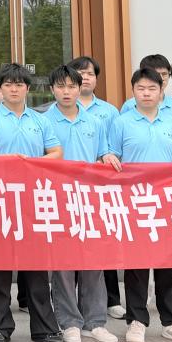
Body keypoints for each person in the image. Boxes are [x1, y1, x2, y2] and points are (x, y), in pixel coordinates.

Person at [0, 63, 65, 342]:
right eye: (8, 84)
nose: (14, 89)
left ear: (28, 88)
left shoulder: (40, 120)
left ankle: (45, 329)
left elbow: (56, 152)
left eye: (19, 84)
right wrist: (7, 161)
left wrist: (31, 162)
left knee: (36, 269)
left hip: (33, 201)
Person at [108, 67, 172, 342]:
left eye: (152, 88)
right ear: (133, 91)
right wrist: (109, 157)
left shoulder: (171, 121)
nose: (146, 93)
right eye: (141, 88)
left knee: (169, 265)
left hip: (167, 201)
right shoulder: (121, 122)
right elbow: (111, 153)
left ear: (162, 92)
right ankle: (136, 321)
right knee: (136, 265)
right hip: (135, 201)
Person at [43, 64, 120, 342]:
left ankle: (95, 321)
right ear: (52, 89)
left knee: (93, 263)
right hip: (57, 199)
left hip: (89, 200)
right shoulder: (43, 121)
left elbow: (103, 154)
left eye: (72, 86)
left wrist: (108, 157)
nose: (67, 92)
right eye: (61, 86)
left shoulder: (95, 122)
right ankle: (69, 321)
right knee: (63, 265)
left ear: (80, 88)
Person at [69, 54, 125, 318]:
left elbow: (111, 147)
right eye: (80, 74)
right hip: (67, 190)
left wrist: (107, 158)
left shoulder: (109, 112)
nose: (85, 78)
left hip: (100, 187)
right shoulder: (56, 111)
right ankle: (69, 304)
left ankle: (110, 300)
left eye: (90, 74)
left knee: (101, 244)